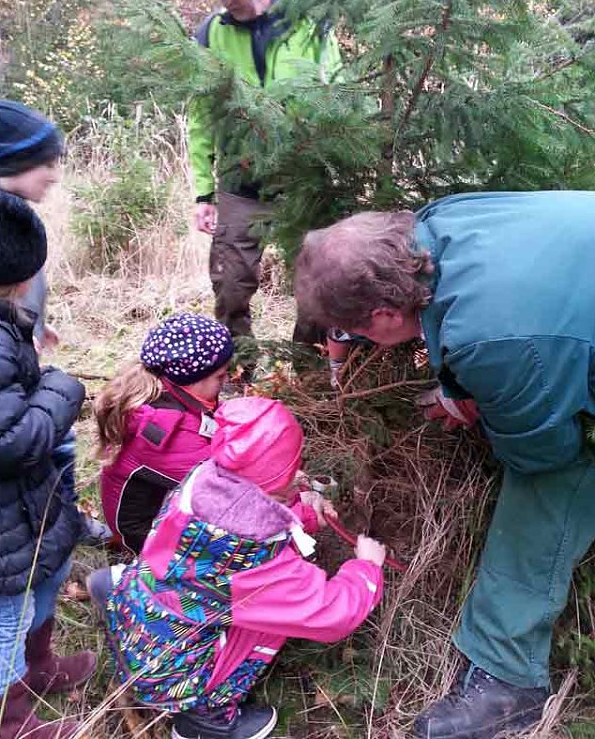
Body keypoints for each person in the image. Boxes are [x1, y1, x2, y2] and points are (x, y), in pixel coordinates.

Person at [293, 191, 595, 739]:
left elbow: (543, 452)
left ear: (384, 313)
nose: (364, 344)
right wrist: (463, 389)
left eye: (360, 332)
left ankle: (509, 678)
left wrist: (494, 403)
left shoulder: (495, 334)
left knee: (545, 487)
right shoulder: (440, 224)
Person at [91, 397, 385, 739]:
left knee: (194, 596)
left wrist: (301, 514)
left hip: (136, 610)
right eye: (291, 468)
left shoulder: (203, 481)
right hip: (167, 672)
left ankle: (111, 591)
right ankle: (207, 719)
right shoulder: (254, 564)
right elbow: (329, 614)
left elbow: (250, 508)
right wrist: (365, 568)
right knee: (269, 624)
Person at [0, 182, 95, 739]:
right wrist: (59, 389)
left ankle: (39, 668)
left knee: (55, 567)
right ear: (18, 278)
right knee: (8, 615)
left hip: (26, 499)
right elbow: (11, 441)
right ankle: (10, 720)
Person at [188, 0, 342, 344]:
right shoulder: (211, 34)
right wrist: (203, 191)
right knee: (231, 282)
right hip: (241, 178)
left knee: (315, 280)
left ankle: (307, 368)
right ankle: (237, 365)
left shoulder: (309, 23)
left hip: (302, 175)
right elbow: (202, 113)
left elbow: (337, 91)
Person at [0, 98, 112, 546]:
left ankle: (61, 518)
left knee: (56, 443)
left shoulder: (10, 211)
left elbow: (20, 283)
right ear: (14, 162)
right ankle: (47, 527)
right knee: (43, 444)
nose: (54, 174)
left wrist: (34, 324)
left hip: (14, 345)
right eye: (45, 164)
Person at [97, 312, 234, 554]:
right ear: (192, 377)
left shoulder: (177, 392)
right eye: (220, 376)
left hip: (165, 503)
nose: (226, 380)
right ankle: (115, 580)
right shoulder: (164, 430)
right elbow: (227, 487)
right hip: (145, 533)